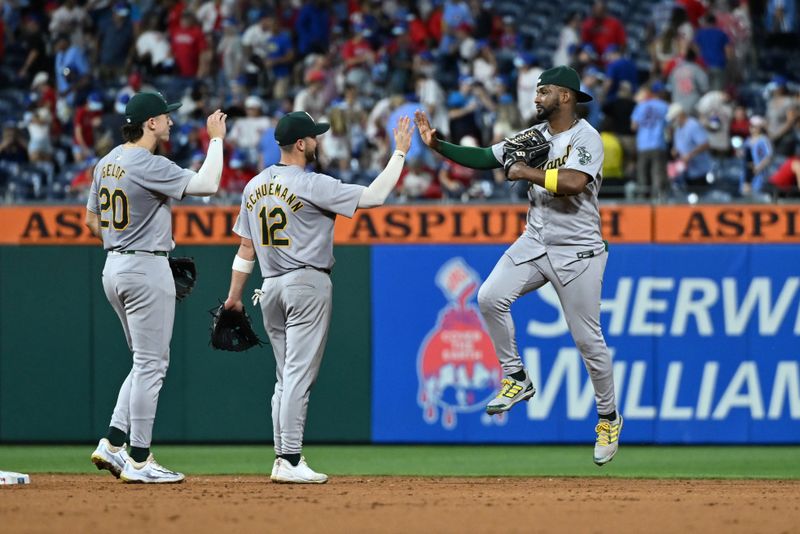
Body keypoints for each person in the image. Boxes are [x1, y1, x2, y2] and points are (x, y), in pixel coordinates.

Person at [414, 66, 622, 466]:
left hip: (578, 249)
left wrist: (527, 171)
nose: (536, 96)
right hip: (536, 239)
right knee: (489, 296)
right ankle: (516, 378)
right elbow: (484, 156)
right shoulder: (533, 136)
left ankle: (608, 417)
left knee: (587, 341)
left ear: (566, 96)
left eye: (544, 91)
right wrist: (438, 144)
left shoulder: (586, 138)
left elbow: (576, 182)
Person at [222, 111, 413, 483]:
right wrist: (400, 153)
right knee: (296, 376)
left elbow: (246, 248)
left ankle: (281, 457)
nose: (317, 142)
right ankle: (290, 459)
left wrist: (233, 297)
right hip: (306, 282)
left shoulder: (254, 186)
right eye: (313, 138)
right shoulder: (312, 183)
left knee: (283, 377)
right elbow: (374, 197)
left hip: (270, 286)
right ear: (300, 144)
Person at [85, 92, 228, 483]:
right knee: (153, 365)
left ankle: (112, 444)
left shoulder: (107, 161)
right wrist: (216, 138)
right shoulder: (147, 163)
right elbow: (209, 183)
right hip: (144, 266)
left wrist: (123, 241)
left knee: (142, 362)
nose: (169, 122)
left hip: (113, 265)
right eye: (165, 117)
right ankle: (140, 459)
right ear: (150, 123)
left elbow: (91, 223)